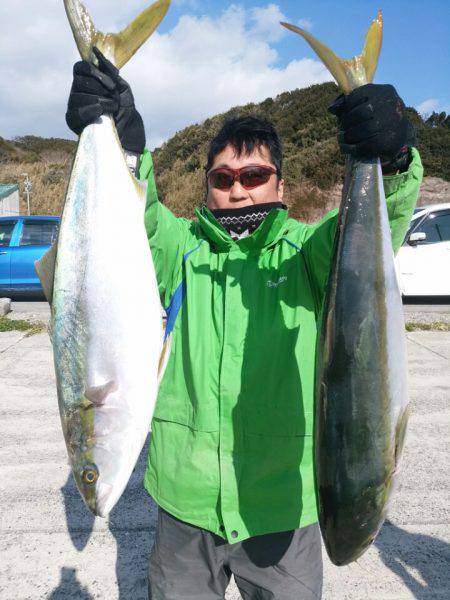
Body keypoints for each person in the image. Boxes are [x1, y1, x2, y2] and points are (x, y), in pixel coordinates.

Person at [66, 48, 423, 599]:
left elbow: (378, 226)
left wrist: (393, 157)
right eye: (223, 176)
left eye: (255, 174)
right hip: (185, 504)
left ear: (279, 184)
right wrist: (120, 141)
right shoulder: (178, 249)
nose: (238, 188)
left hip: (284, 507)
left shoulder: (307, 253)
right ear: (207, 185)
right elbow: (135, 214)